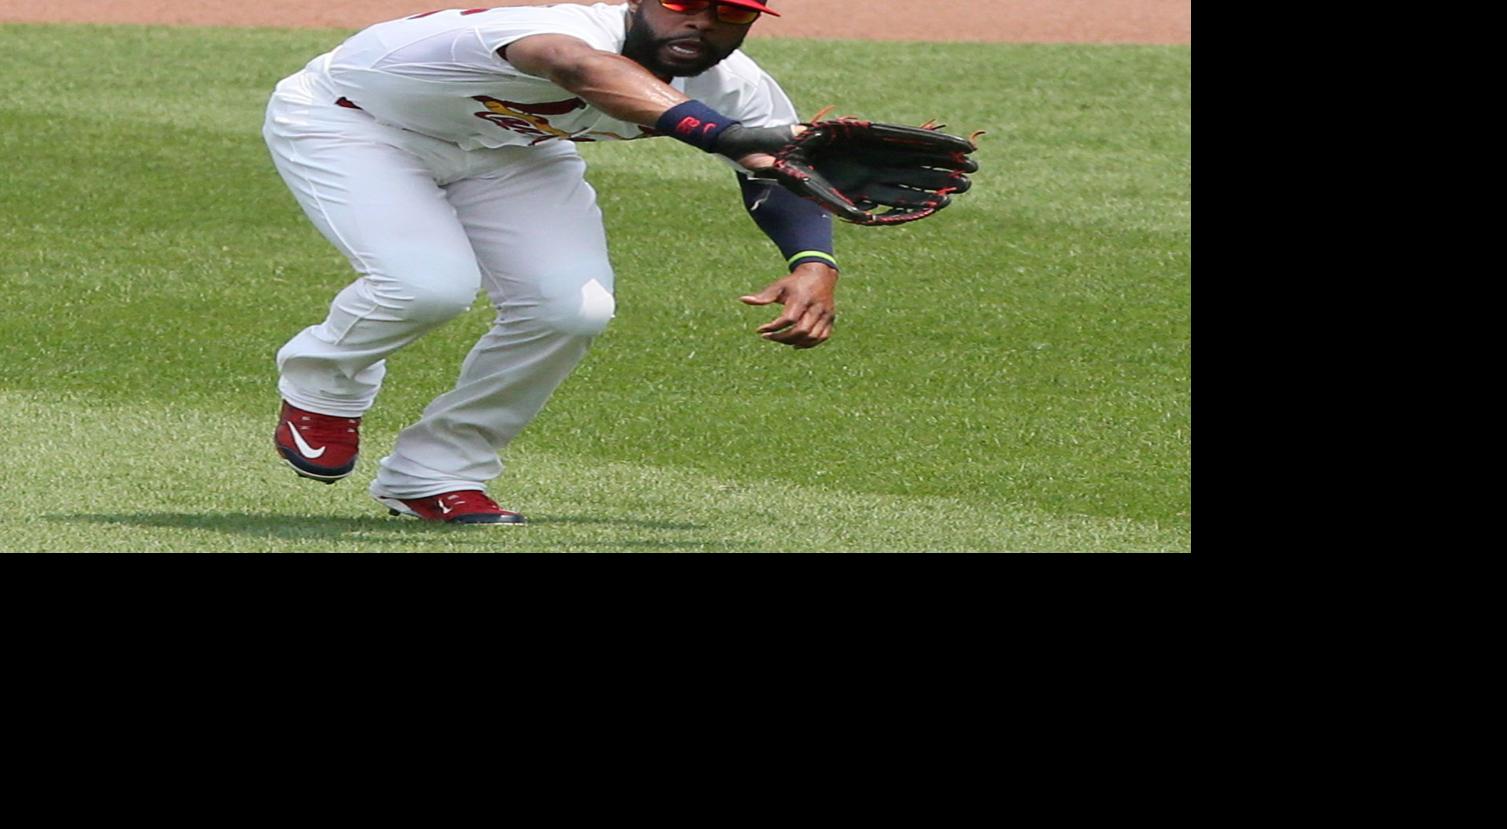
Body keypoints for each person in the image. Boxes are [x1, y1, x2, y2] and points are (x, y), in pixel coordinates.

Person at [265, 1, 838, 525]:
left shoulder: (731, 84)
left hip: (511, 150)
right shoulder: (566, 31)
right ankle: (323, 388)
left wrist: (813, 262)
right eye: (682, 3)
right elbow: (578, 68)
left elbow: (777, 171)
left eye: (732, 11)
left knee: (571, 308)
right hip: (353, 124)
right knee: (426, 286)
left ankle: (436, 473)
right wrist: (722, 135)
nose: (703, 22)